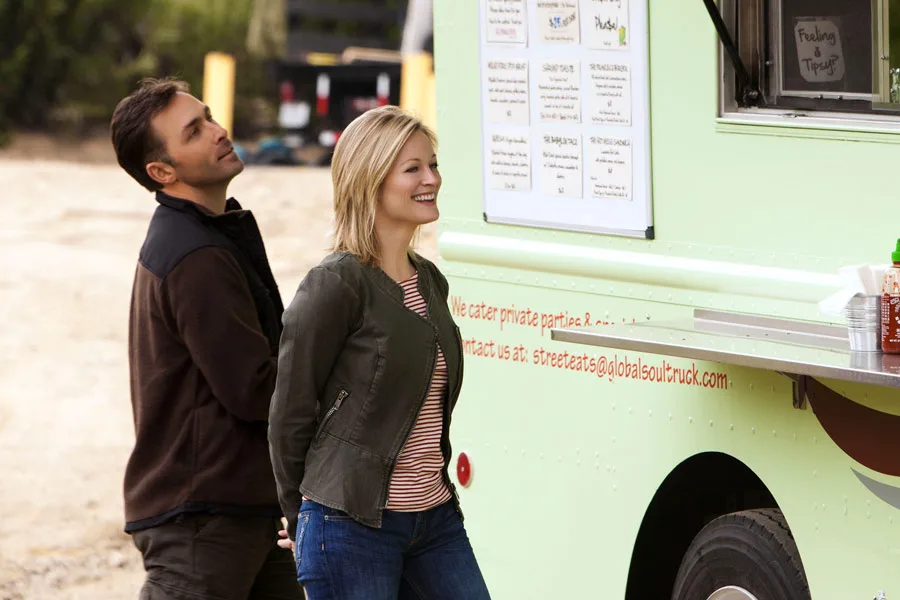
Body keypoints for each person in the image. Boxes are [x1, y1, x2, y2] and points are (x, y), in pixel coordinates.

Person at [268, 105, 491, 599]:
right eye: (412, 168)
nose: (431, 179)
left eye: (433, 164)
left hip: (434, 517)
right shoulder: (335, 283)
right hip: (350, 525)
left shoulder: (429, 281)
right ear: (370, 179)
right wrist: (299, 515)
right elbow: (289, 413)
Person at [110, 78, 301, 599]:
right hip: (203, 522)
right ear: (162, 171)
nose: (219, 131)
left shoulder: (209, 234)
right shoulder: (195, 254)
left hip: (245, 509)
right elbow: (254, 388)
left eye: (209, 117)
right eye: (194, 131)